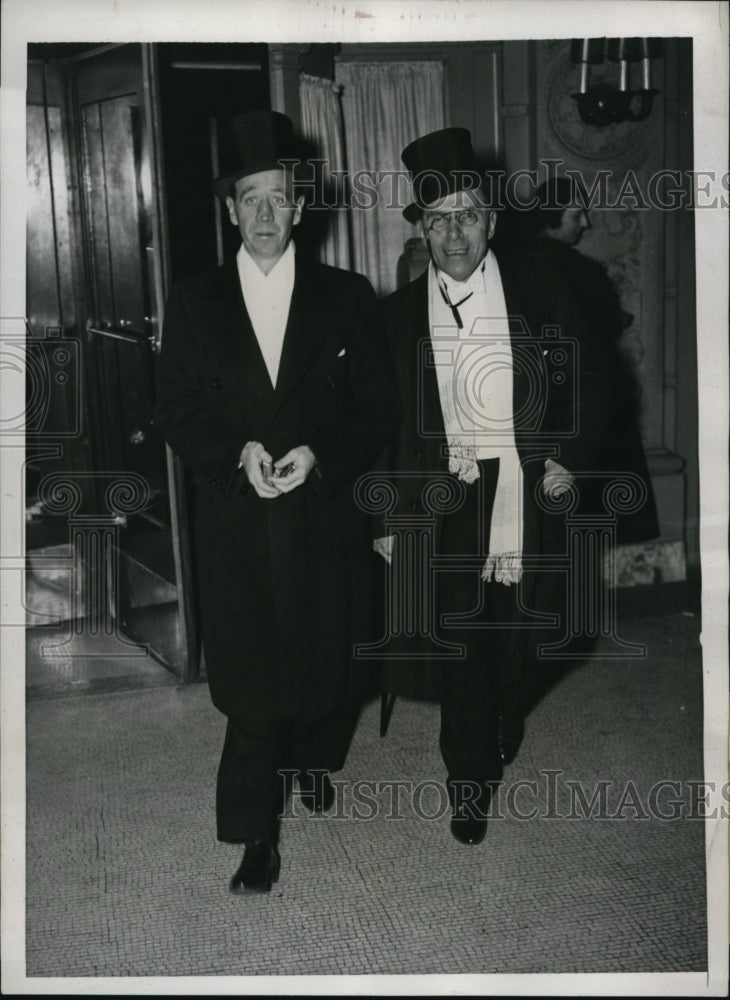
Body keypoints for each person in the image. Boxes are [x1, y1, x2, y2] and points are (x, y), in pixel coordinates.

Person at [154, 111, 400, 893]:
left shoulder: (348, 296)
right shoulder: (195, 302)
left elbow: (376, 405)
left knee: (330, 668)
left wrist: (319, 455)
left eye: (279, 197)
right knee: (255, 687)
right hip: (238, 518)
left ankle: (316, 759)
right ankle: (255, 834)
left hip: (322, 513)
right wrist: (240, 455)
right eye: (248, 198)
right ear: (230, 209)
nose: (264, 214)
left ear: (301, 205)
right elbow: (173, 407)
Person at [375, 128, 612, 845]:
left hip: (528, 487)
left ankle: (510, 711)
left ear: (493, 220)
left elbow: (592, 383)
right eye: (438, 218)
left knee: (527, 634)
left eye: (468, 215)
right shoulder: (393, 317)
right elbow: (380, 427)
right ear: (420, 227)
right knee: (460, 644)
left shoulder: (543, 289)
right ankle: (468, 779)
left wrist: (572, 454)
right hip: (444, 497)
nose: (454, 234)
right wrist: (386, 518)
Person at [527, 177, 659, 546]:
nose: (585, 223)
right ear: (552, 215)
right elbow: (604, 332)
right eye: (576, 213)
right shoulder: (580, 270)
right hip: (588, 400)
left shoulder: (514, 262)